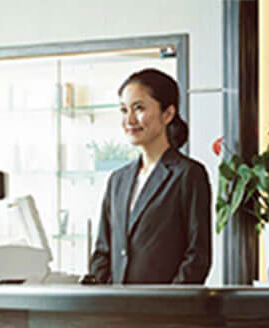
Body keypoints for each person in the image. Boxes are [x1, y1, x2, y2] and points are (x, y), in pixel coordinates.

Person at [90, 68, 212, 284]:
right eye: (124, 110)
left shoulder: (188, 174)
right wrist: (107, 296)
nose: (129, 119)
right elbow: (102, 253)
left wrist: (167, 300)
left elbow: (197, 257)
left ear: (168, 114)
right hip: (115, 303)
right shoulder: (118, 180)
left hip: (164, 304)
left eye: (139, 108)